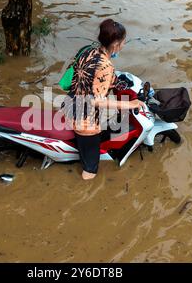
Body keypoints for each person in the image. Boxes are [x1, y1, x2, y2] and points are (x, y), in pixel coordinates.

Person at [61, 19, 144, 180]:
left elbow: (91, 76)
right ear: (116, 44)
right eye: (123, 41)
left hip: (69, 106)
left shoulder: (88, 51)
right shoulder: (106, 66)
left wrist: (118, 83)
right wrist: (128, 103)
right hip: (85, 122)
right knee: (90, 170)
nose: (124, 45)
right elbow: (96, 101)